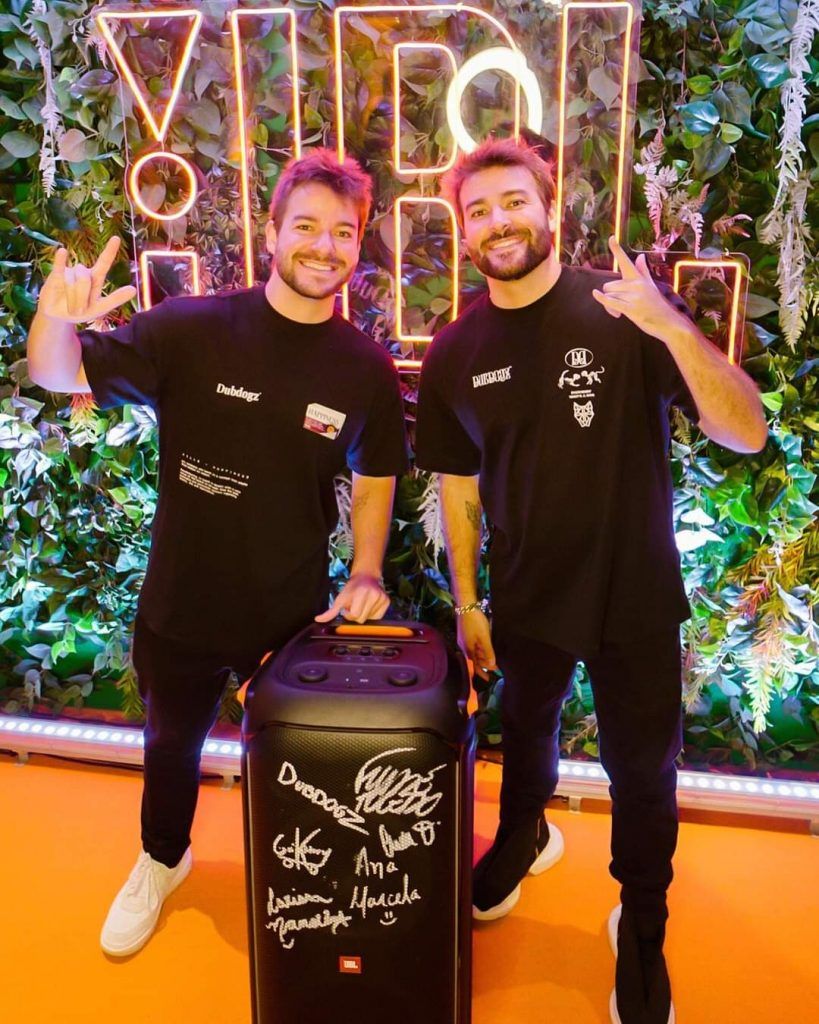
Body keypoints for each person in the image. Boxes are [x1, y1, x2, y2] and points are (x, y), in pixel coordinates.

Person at [414, 137, 766, 1024]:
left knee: (641, 772)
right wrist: (467, 601)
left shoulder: (624, 308)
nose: (498, 222)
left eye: (513, 202)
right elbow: (458, 485)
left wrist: (672, 325)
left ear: (549, 207)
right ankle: (523, 833)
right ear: (463, 230)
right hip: (525, 593)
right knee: (523, 729)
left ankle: (641, 924)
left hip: (634, 593)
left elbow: (746, 431)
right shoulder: (455, 350)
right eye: (478, 210)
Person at [27, 149, 408, 957]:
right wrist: (56, 318)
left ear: (357, 244)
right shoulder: (192, 329)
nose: (323, 245)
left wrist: (366, 569)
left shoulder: (364, 369)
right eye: (305, 225)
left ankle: (300, 880)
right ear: (270, 233)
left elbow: (377, 475)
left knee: (295, 764)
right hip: (182, 601)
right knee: (170, 749)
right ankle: (162, 860)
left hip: (290, 616)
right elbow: (57, 374)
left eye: (342, 232)